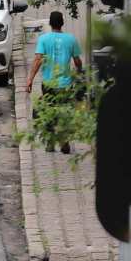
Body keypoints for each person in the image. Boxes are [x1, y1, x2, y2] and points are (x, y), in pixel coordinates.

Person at [26, 11, 83, 154]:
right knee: (64, 112)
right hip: (66, 84)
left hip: (48, 84)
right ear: (62, 23)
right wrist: (79, 73)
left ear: (50, 23)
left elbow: (38, 60)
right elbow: (77, 61)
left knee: (49, 110)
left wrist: (30, 79)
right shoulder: (71, 39)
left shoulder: (44, 39)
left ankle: (50, 143)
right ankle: (64, 142)